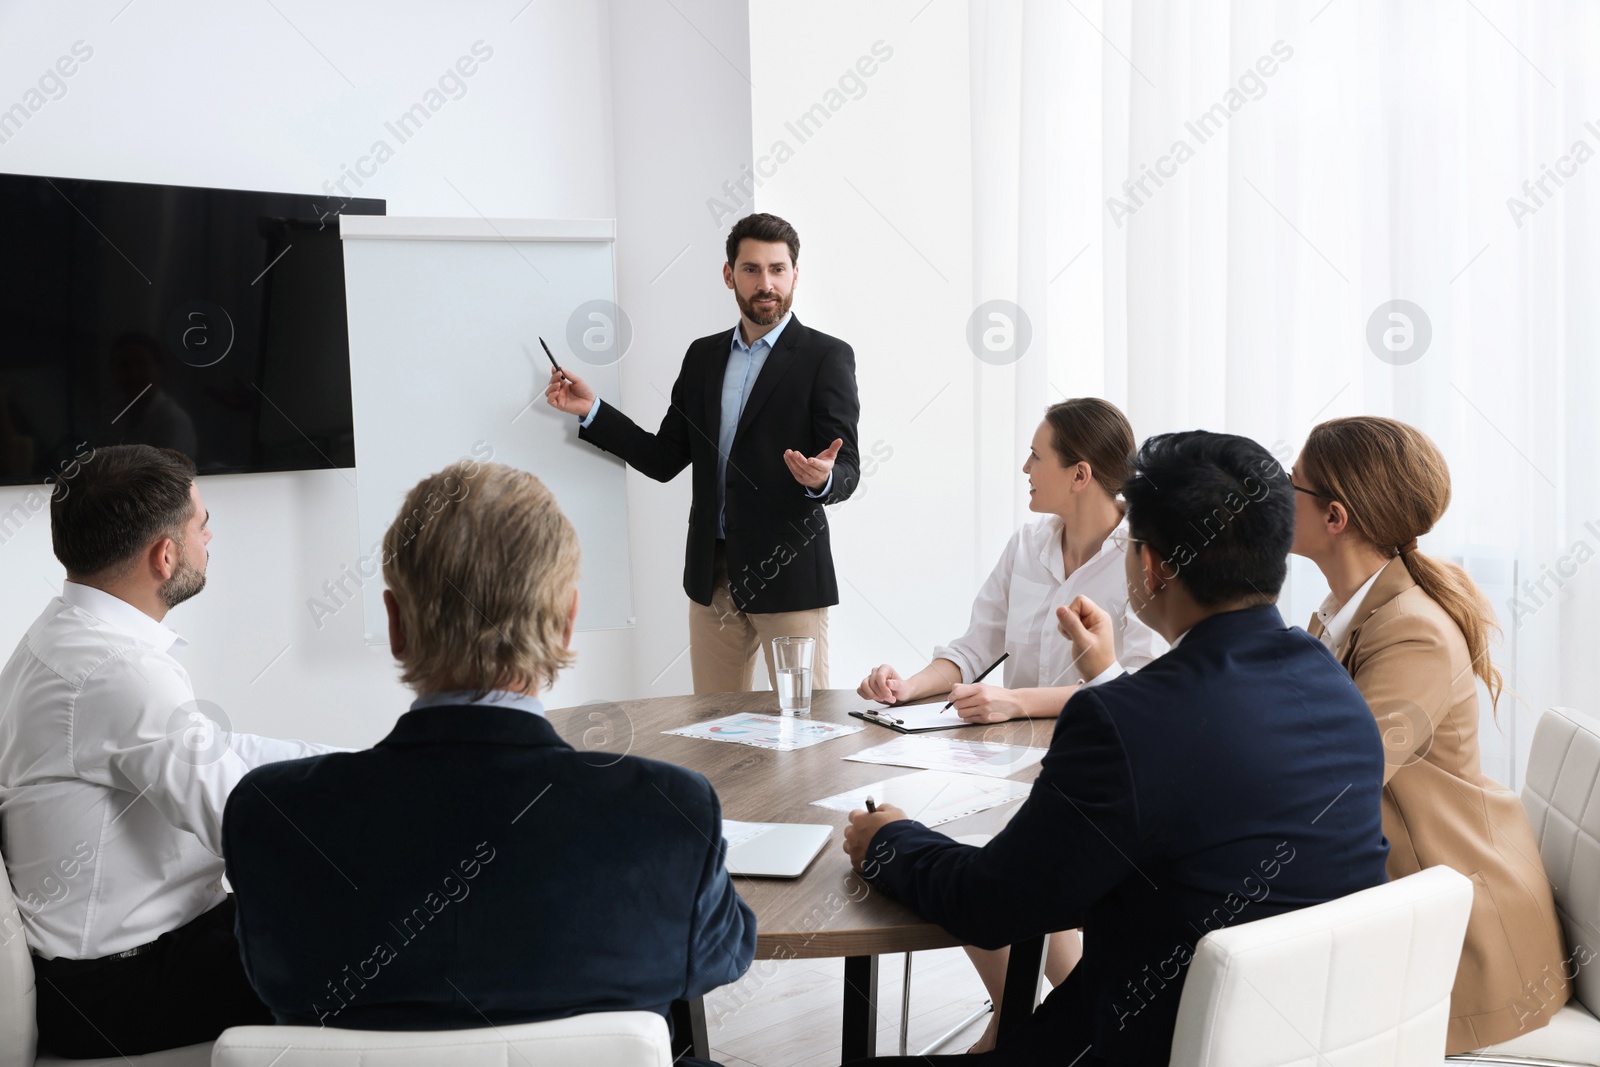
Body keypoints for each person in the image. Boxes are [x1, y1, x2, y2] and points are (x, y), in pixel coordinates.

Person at [842, 431, 1390, 1066]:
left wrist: (888, 840)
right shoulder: (1334, 687)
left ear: (1151, 564)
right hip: (1302, 1041)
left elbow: (993, 906)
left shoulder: (1122, 722)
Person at [223, 462, 755, 1065]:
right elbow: (722, 958)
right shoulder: (669, 810)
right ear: (565, 623)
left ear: (395, 623)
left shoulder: (271, 815)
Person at [0, 444, 333, 1057]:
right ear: (165, 556)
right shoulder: (115, 671)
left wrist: (355, 764)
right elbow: (248, 825)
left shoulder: (65, 636)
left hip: (129, 962)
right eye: (202, 525)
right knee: (381, 933)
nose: (211, 536)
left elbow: (216, 752)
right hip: (118, 990)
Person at [855, 397, 1166, 1052]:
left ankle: (1037, 1020)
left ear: (1080, 473)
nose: (1025, 467)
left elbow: (1133, 687)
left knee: (1007, 868)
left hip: (1088, 762)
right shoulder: (1026, 545)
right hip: (1000, 754)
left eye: (1036, 454)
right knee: (962, 846)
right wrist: (907, 686)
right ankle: (1031, 1016)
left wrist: (1017, 700)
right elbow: (972, 647)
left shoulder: (1145, 557)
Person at [1291, 416, 1569, 1052]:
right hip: (1407, 893)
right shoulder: (1350, 609)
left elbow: (1335, 783)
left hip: (1464, 939)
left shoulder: (1410, 630)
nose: (1277, 495)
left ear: (1335, 517)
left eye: (1291, 483)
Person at [545, 212, 860, 694]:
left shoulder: (826, 357)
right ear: (729, 274)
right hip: (712, 580)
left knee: (804, 736)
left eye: (778, 269)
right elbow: (663, 457)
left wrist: (822, 480)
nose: (766, 283)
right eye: (752, 269)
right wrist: (593, 411)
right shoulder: (703, 358)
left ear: (796, 274)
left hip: (790, 578)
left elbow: (848, 467)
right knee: (714, 735)